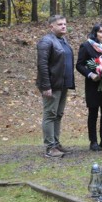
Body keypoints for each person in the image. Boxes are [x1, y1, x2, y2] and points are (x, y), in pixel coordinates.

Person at [36, 15, 75, 158]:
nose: (64, 26)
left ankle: (56, 144)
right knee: (50, 114)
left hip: (63, 84)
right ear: (51, 26)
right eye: (60, 24)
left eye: (65, 24)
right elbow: (42, 65)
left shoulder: (63, 40)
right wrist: (46, 86)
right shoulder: (46, 41)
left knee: (58, 115)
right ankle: (50, 148)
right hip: (52, 85)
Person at [76, 23, 102, 151]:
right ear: (95, 33)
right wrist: (90, 74)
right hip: (93, 84)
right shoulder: (86, 46)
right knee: (93, 113)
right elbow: (79, 65)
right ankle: (93, 142)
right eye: (100, 32)